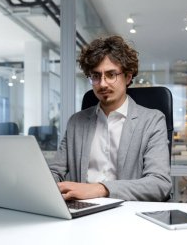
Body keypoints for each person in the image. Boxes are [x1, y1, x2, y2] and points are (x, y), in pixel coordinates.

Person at [48, 35, 172, 201]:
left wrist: (101, 189)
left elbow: (159, 184)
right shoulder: (76, 122)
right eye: (96, 76)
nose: (103, 84)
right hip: (82, 213)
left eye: (111, 74)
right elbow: (55, 172)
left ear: (128, 77)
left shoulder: (152, 121)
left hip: (128, 214)